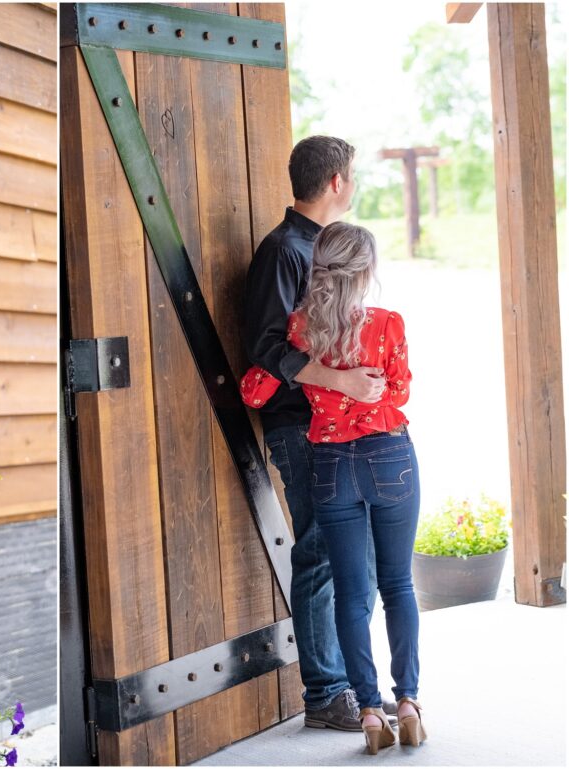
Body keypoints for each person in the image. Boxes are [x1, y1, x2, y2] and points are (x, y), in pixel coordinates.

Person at [241, 221, 425, 754]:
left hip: (330, 464)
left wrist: (308, 374)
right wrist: (361, 388)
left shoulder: (300, 329)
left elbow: (255, 392)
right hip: (388, 455)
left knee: (346, 588)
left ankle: (368, 711)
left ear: (319, 269)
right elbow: (400, 391)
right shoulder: (387, 323)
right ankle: (407, 701)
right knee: (397, 585)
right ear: (366, 270)